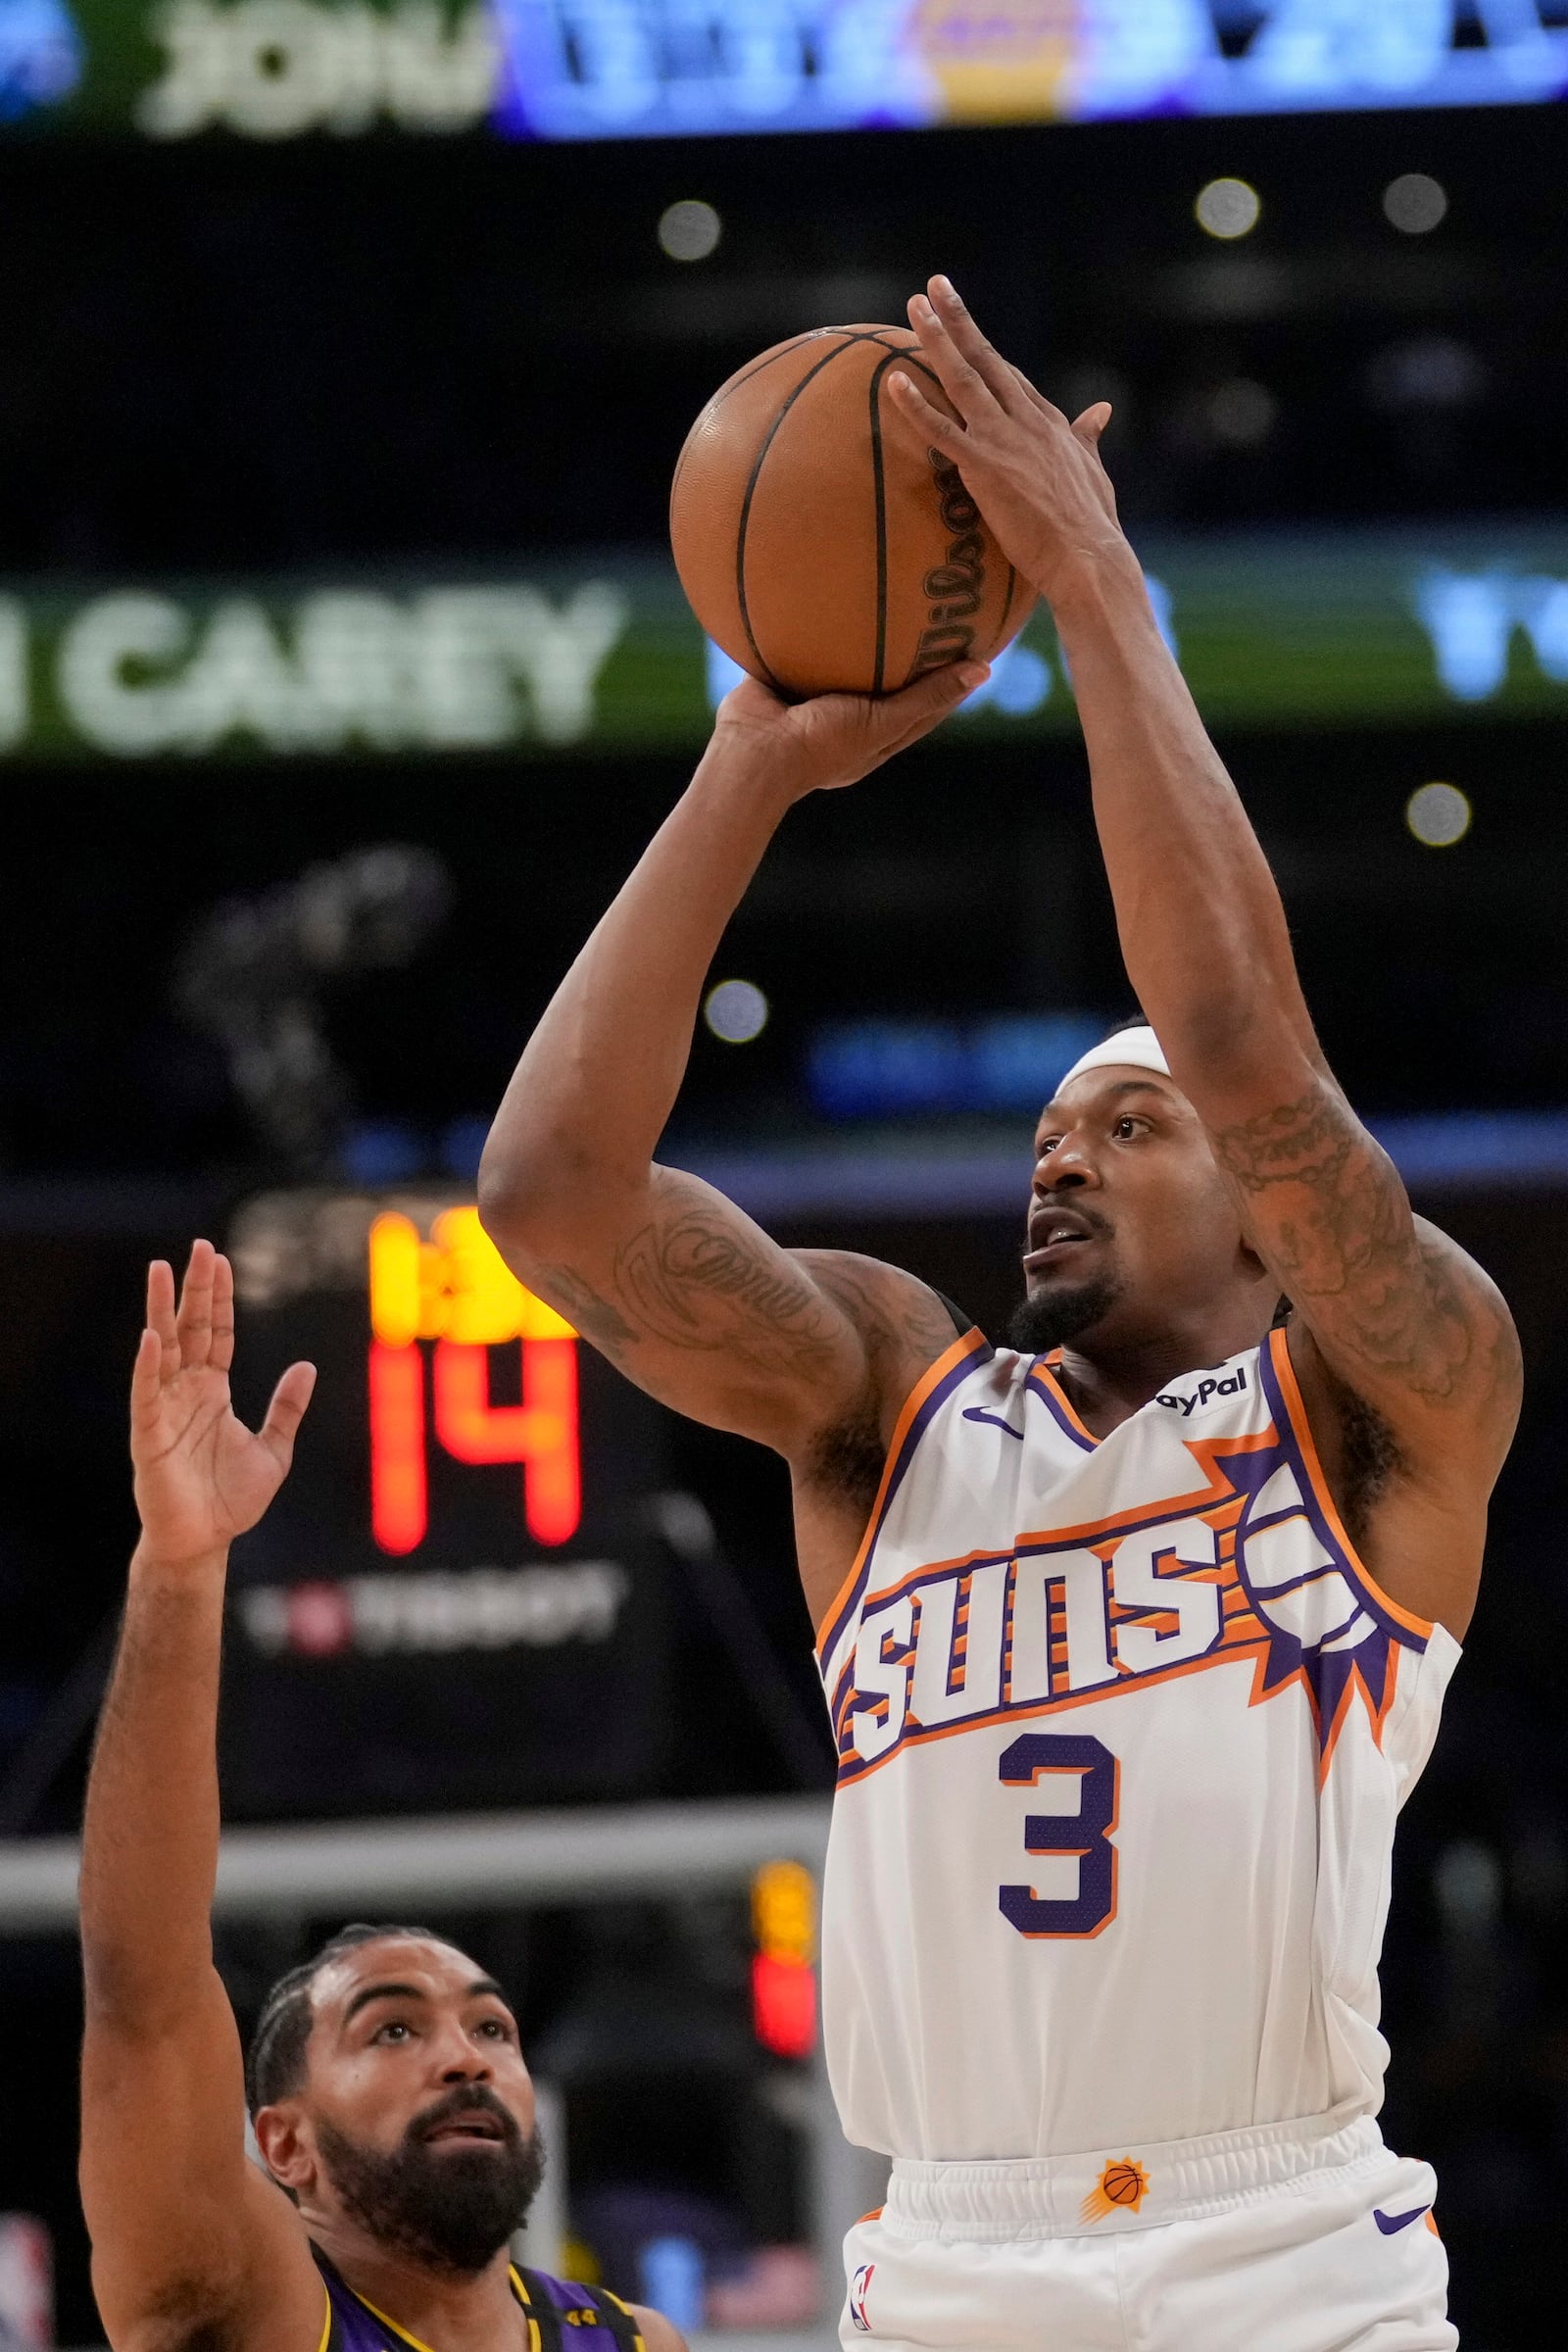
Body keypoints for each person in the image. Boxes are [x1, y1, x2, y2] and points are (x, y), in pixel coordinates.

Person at [476, 274, 1521, 2350]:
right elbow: (550, 1201)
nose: (1058, 1158)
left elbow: (1239, 1039)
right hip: (950, 2253)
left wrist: (1096, 587)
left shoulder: (1401, 1396)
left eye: (1124, 1127)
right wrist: (746, 777)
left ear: (1258, 1196)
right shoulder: (886, 1401)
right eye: (1049, 1135)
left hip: (1281, 2252)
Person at [77, 1242, 684, 2352]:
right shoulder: (246, 2307)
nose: (464, 2057)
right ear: (287, 2145)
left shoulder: (638, 2342)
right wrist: (179, 1568)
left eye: (490, 2028)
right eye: (391, 2028)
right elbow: (144, 1988)